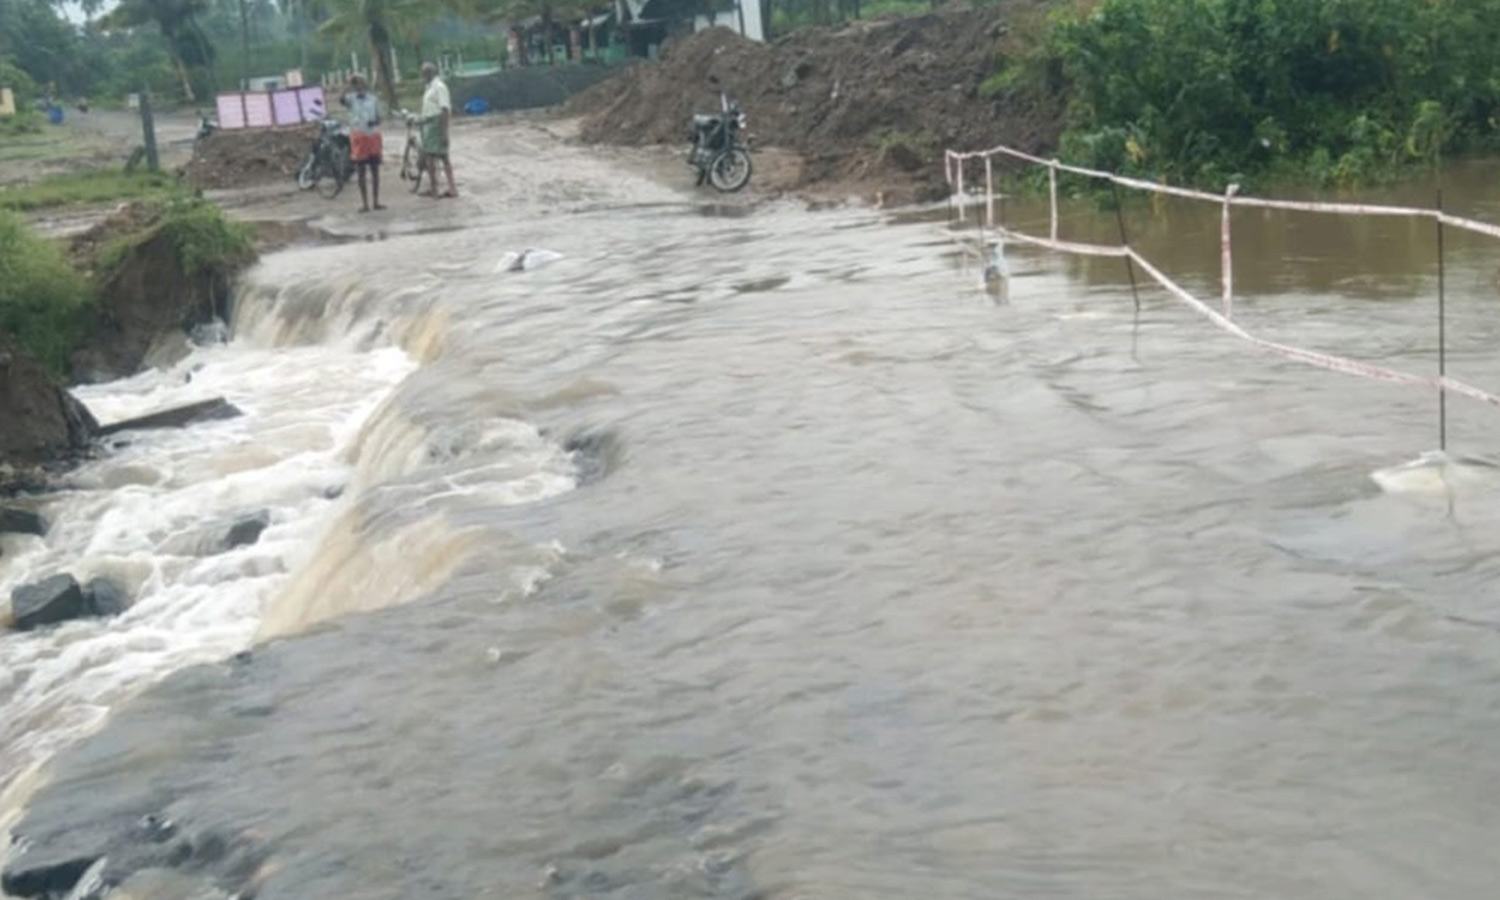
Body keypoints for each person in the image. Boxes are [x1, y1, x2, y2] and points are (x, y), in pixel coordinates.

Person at [341, 75, 385, 212]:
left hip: (372, 135)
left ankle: (376, 201)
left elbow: (379, 117)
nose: (358, 86)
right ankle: (365, 203)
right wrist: (347, 84)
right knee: (361, 171)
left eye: (361, 83)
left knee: (375, 170)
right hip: (359, 136)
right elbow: (341, 99)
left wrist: (375, 121)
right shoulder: (351, 99)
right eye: (356, 84)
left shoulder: (373, 99)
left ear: (365, 85)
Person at [418, 62, 457, 199]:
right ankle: (438, 187)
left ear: (430, 73)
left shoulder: (439, 87)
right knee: (433, 156)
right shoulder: (429, 88)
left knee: (437, 156)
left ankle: (442, 188)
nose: (423, 76)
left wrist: (444, 131)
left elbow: (445, 109)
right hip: (429, 123)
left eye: (424, 73)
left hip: (437, 122)